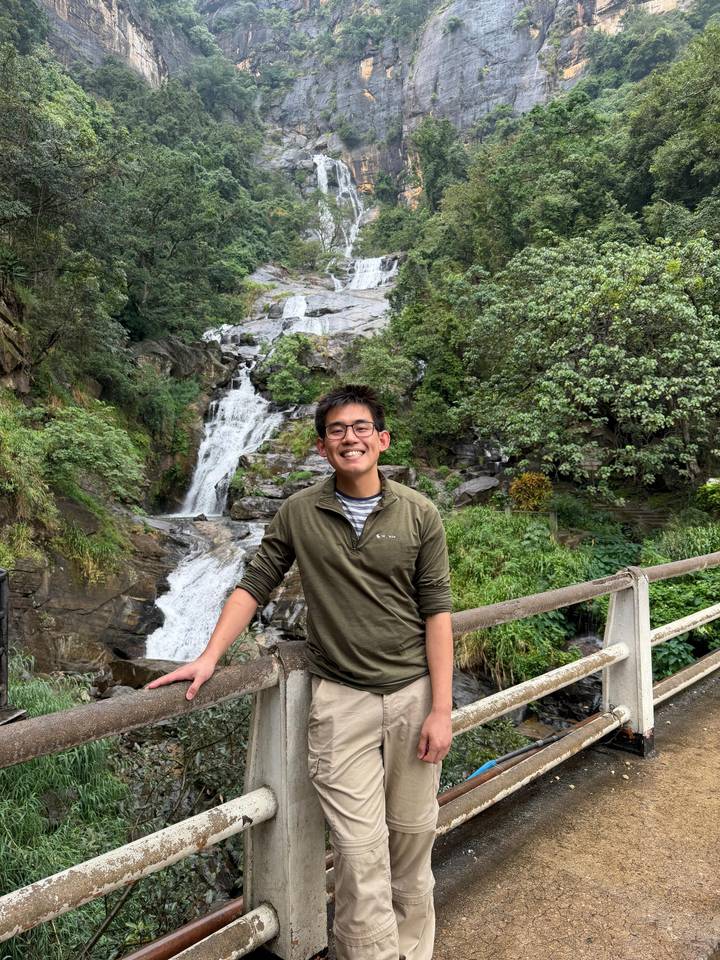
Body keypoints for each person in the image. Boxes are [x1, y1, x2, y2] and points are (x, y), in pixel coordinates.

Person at [149, 384, 454, 960]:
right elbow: (255, 582)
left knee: (412, 846)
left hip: (414, 698)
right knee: (361, 856)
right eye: (337, 430)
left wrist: (442, 708)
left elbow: (437, 610)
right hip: (341, 703)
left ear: (382, 440)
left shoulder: (419, 514)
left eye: (361, 427)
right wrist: (210, 656)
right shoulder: (299, 512)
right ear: (321, 447)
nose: (350, 438)